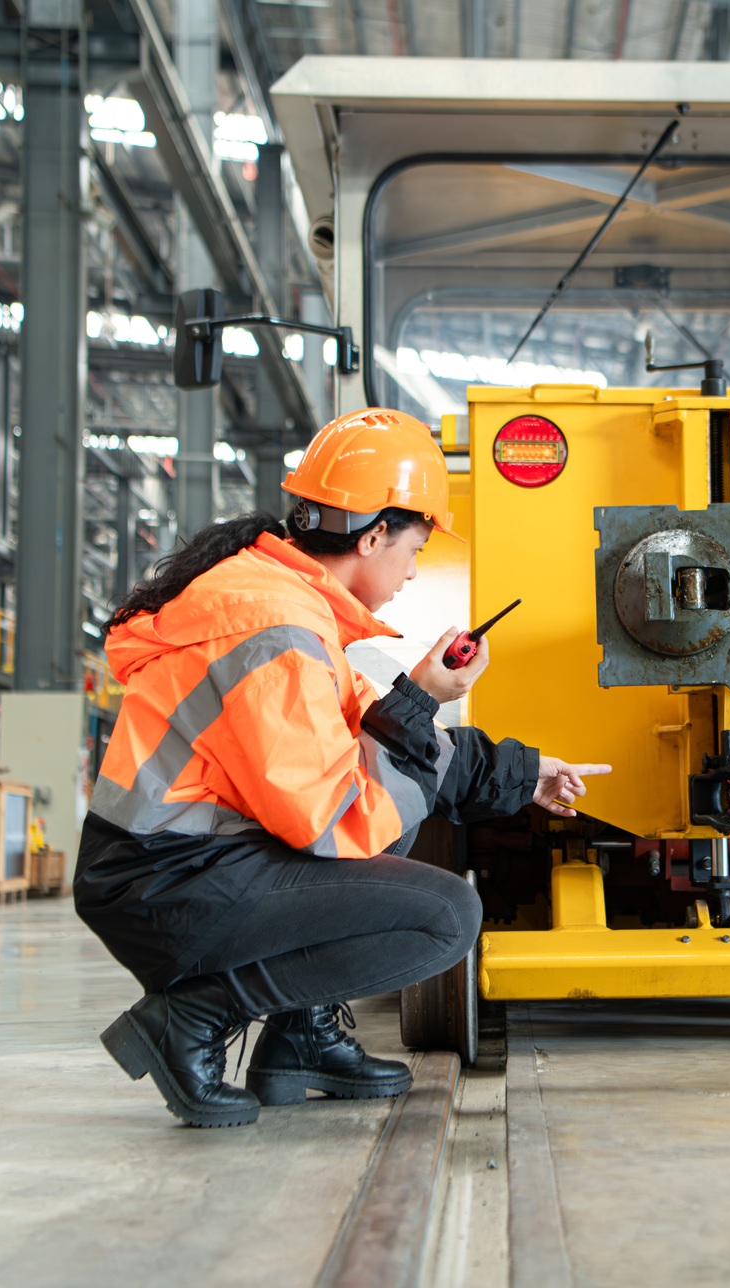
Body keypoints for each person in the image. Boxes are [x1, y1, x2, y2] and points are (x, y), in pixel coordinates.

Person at [76, 407, 609, 1128]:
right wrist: (422, 698)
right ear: (375, 532)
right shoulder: (275, 631)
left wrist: (524, 772)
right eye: (415, 547)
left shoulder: (283, 604)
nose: (415, 571)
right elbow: (334, 820)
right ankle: (193, 1017)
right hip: (166, 887)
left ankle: (300, 1038)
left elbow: (377, 729)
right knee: (445, 917)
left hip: (178, 868)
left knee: (401, 803)